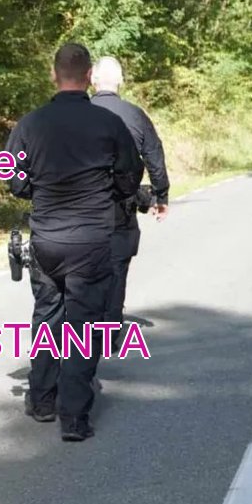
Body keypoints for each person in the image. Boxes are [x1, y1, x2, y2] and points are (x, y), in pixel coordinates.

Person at [8, 43, 143, 441]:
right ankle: (74, 417)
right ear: (88, 77)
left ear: (54, 74)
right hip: (91, 240)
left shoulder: (30, 124)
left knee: (47, 316)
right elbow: (130, 177)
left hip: (46, 239)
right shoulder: (109, 123)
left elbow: (14, 180)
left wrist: (39, 188)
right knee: (84, 326)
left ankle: (42, 399)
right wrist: (107, 190)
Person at [90, 57, 171, 328]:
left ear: (92, 80)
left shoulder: (76, 114)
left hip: (78, 207)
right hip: (120, 207)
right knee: (116, 271)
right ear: (121, 81)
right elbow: (155, 158)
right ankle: (110, 330)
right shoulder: (135, 115)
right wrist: (161, 196)